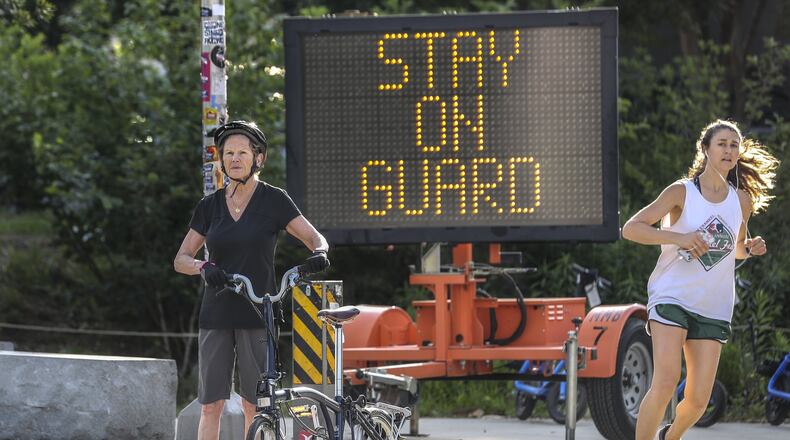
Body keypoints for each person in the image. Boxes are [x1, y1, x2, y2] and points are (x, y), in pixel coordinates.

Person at [623, 119, 779, 440]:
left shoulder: (742, 201)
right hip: (672, 296)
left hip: (714, 304)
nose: (729, 150)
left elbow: (733, 250)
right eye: (722, 143)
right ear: (705, 149)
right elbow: (632, 228)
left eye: (734, 145)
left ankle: (671, 436)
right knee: (666, 381)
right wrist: (680, 238)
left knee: (697, 401)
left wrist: (748, 249)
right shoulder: (682, 192)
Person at [174, 120, 330, 440]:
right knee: (210, 405)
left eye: (242, 152)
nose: (234, 159)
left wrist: (319, 255)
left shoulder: (274, 200)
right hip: (216, 313)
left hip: (258, 311)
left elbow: (317, 239)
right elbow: (181, 260)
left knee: (253, 405)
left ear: (258, 158)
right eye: (228, 153)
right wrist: (203, 267)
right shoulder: (210, 206)